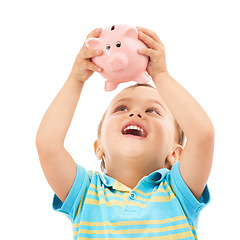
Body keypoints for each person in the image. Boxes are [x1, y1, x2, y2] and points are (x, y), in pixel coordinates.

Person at [36, 27, 214, 239]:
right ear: (98, 146)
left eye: (152, 111)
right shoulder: (85, 193)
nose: (136, 114)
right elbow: (48, 144)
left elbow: (203, 135)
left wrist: (161, 75)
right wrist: (76, 79)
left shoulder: (178, 191)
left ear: (175, 154)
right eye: (121, 109)